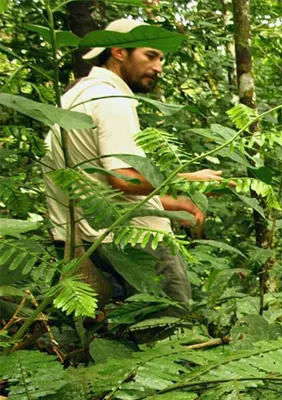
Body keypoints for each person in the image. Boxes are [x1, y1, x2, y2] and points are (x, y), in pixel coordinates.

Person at [41, 18, 222, 310]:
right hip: (136, 242)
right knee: (169, 330)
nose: (159, 67)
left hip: (86, 242)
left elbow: (101, 182)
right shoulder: (112, 99)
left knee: (117, 338)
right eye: (150, 55)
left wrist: (179, 202)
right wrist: (186, 179)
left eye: (161, 59)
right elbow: (123, 178)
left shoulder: (74, 96)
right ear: (119, 52)